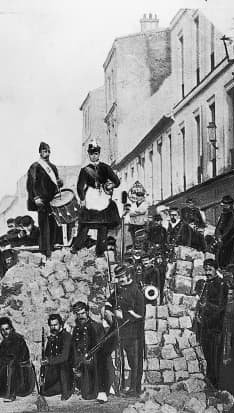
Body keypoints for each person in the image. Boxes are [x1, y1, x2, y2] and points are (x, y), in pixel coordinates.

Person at [71, 141, 120, 256]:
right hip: (90, 198)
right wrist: (82, 199)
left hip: (103, 197)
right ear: (89, 154)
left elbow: (116, 181)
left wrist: (110, 186)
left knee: (103, 225)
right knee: (85, 224)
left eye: (96, 153)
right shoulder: (85, 170)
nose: (94, 156)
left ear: (99, 154)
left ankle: (100, 252)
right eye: (92, 154)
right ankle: (76, 248)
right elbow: (79, 186)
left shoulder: (106, 168)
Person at [105, 265, 145, 397]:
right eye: (118, 277)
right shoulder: (118, 290)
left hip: (134, 333)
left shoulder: (136, 291)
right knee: (120, 360)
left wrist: (124, 315)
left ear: (128, 275)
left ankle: (135, 389)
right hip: (120, 331)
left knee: (134, 362)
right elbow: (109, 302)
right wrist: (108, 311)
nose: (120, 279)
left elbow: (140, 314)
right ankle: (119, 386)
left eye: (122, 276)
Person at [26, 141, 63, 258]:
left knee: (53, 225)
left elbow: (55, 182)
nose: (46, 153)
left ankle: (52, 250)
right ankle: (44, 251)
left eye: (47, 151)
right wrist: (35, 197)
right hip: (41, 200)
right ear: (40, 152)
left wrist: (59, 183)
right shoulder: (35, 166)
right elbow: (30, 183)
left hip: (52, 200)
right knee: (44, 226)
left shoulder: (53, 167)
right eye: (43, 151)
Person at [194, 259, 227, 388]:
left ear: (216, 270)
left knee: (214, 356)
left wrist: (206, 307)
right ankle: (208, 382)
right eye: (205, 270)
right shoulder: (206, 284)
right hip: (205, 326)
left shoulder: (221, 285)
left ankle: (214, 385)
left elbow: (220, 307)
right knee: (206, 354)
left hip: (215, 327)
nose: (207, 273)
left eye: (210, 270)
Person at [0, 317, 35, 401]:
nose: (5, 332)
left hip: (22, 376)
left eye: (7, 329)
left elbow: (10, 357)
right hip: (13, 373)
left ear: (11, 328)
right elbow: (3, 358)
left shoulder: (17, 339)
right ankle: (2, 389)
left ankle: (11, 394)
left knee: (12, 363)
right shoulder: (4, 342)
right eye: (2, 330)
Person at [71, 301, 106, 401]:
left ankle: (101, 390)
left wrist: (90, 357)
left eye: (82, 313)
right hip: (81, 361)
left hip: (95, 361)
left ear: (87, 312)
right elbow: (75, 347)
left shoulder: (96, 326)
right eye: (78, 314)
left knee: (89, 394)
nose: (80, 316)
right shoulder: (76, 329)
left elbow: (101, 348)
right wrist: (76, 362)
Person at [39, 314, 73, 400]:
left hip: (66, 371)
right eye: (51, 325)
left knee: (63, 365)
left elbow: (64, 357)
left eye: (55, 325)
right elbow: (46, 355)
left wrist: (48, 361)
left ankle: (66, 391)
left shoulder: (67, 336)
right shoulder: (51, 338)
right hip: (54, 372)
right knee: (44, 392)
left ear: (60, 324)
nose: (53, 327)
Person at [214, 196, 234, 269]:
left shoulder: (233, 217)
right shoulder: (224, 215)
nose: (222, 205)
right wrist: (217, 236)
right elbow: (218, 228)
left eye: (224, 204)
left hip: (227, 244)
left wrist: (221, 239)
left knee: (225, 263)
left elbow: (230, 230)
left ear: (229, 205)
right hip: (222, 243)